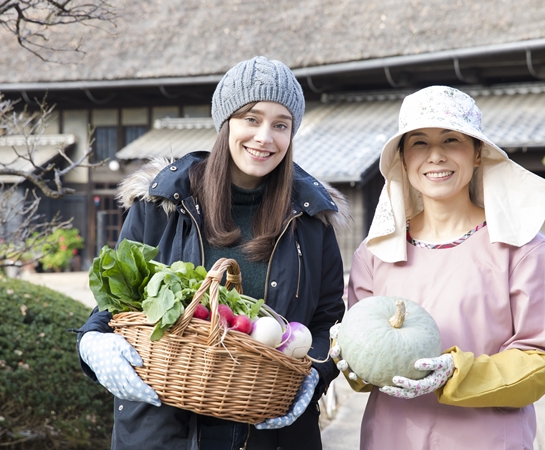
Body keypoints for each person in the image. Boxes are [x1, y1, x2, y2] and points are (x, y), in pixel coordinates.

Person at [76, 56, 348, 450]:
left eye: (281, 125)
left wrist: (314, 378)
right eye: (251, 119)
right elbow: (114, 304)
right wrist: (91, 343)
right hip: (164, 432)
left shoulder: (310, 218)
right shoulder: (163, 202)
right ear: (226, 123)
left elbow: (327, 321)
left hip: (271, 431)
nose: (265, 137)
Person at [332, 85, 545, 449]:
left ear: (478, 153)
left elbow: (540, 363)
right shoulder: (375, 252)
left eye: (451, 140)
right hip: (390, 437)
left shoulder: (522, 249)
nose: (435, 156)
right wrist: (355, 365)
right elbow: (368, 354)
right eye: (419, 143)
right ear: (402, 158)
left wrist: (457, 373)